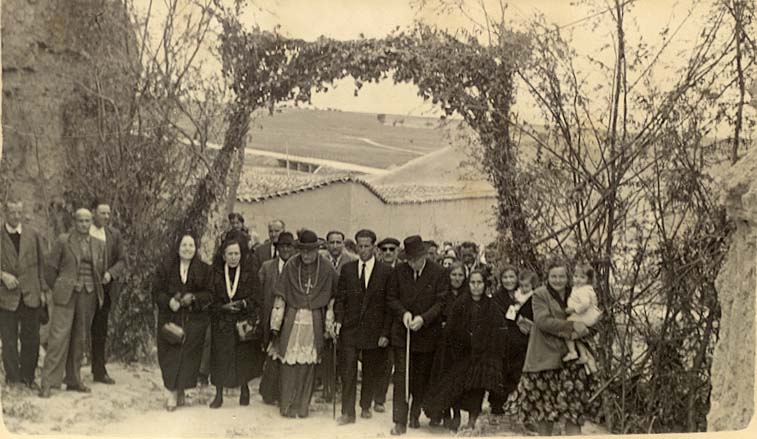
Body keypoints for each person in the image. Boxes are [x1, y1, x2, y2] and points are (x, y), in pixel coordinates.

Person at [506, 258, 600, 436]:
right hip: (545, 359)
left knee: (574, 412)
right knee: (545, 413)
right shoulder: (540, 294)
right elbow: (543, 321)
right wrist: (571, 327)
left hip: (570, 363)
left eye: (562, 276)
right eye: (554, 276)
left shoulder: (576, 293)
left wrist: (588, 326)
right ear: (547, 277)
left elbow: (590, 316)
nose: (558, 280)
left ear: (568, 277)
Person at [270, 229, 338, 418]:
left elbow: (334, 297)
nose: (306, 255)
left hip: (315, 320)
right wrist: (275, 324)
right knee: (288, 362)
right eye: (303, 251)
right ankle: (287, 405)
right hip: (293, 319)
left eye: (310, 251)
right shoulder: (292, 265)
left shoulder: (326, 268)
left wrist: (330, 323)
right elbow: (280, 296)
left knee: (308, 365)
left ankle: (302, 406)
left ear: (317, 250)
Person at [424, 270, 504, 431]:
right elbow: (451, 330)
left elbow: (497, 330)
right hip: (461, 352)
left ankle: (472, 420)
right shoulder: (460, 304)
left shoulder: (491, 306)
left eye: (479, 283)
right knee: (457, 385)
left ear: (484, 285)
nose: (476, 287)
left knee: (477, 387)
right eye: (473, 283)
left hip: (482, 355)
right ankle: (457, 414)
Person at [40, 209, 106, 398]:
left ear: (91, 222)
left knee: (80, 339)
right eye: (80, 221)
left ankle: (73, 379)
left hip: (88, 295)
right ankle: (48, 382)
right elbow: (50, 268)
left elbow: (99, 270)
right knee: (58, 338)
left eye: (87, 221)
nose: (84, 224)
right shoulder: (63, 241)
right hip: (66, 295)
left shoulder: (98, 244)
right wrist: (59, 287)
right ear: (74, 222)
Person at [386, 235, 449, 435]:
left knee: (420, 378)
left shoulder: (438, 273)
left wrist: (423, 319)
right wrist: (403, 313)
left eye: (416, 260)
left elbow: (441, 302)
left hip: (426, 333)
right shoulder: (398, 272)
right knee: (401, 376)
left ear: (423, 256)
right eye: (409, 260)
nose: (413, 264)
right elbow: (391, 297)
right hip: (402, 334)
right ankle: (399, 421)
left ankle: (415, 411)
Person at [333, 229, 392, 425]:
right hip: (350, 329)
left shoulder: (386, 272)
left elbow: (389, 306)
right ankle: (348, 412)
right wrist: (338, 321)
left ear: (374, 247)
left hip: (373, 331)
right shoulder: (348, 269)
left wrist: (385, 333)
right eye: (360, 246)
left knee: (370, 371)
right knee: (348, 370)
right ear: (356, 246)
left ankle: (365, 404)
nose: (363, 250)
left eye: (367, 246)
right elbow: (340, 299)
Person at [152, 233, 212, 411]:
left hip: (194, 320)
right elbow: (156, 291)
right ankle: (171, 392)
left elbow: (210, 294)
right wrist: (169, 301)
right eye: (184, 245)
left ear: (196, 248)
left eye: (191, 245)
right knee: (170, 356)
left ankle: (181, 390)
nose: (187, 249)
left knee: (187, 358)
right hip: (170, 319)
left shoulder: (204, 269)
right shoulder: (166, 267)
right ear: (178, 248)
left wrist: (193, 298)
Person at [208, 237, 264, 408]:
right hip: (222, 320)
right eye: (230, 254)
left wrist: (242, 304)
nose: (233, 257)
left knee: (243, 356)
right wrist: (223, 307)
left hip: (241, 320)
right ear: (224, 256)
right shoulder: (215, 274)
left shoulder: (249, 274)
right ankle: (218, 394)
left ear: (241, 255)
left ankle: (244, 389)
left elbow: (257, 297)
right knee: (220, 356)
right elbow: (209, 298)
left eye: (236, 254)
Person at [1, 198, 48, 389]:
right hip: (7, 295)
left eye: (19, 212)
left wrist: (43, 290)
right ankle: (13, 379)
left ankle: (28, 378)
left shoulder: (33, 234)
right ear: (5, 212)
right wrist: (2, 275)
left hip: (31, 293)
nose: (16, 216)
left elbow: (41, 264)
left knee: (31, 338)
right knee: (9, 338)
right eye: (12, 212)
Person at [425, 261, 469, 429]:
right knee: (441, 378)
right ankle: (442, 412)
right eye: (453, 275)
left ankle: (456, 411)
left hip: (460, 344)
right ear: (448, 276)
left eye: (460, 275)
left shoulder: (467, 294)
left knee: (456, 379)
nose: (456, 278)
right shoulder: (442, 293)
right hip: (442, 343)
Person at [89, 200, 126, 385]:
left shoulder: (114, 235)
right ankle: (70, 371)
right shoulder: (83, 231)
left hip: (104, 289)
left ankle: (98, 371)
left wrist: (110, 274)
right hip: (84, 288)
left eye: (108, 213)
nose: (105, 216)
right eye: (102, 213)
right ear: (93, 212)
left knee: (100, 330)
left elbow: (121, 260)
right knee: (78, 329)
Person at [258, 231, 296, 405]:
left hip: (290, 317)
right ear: (277, 248)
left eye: (289, 246)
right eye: (282, 246)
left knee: (286, 355)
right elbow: (259, 292)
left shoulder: (297, 267)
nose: (286, 249)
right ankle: (268, 392)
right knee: (272, 354)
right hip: (269, 315)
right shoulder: (267, 267)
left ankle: (284, 393)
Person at [319, 230, 357, 402]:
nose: (335, 246)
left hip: (345, 310)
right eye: (332, 242)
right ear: (327, 244)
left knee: (343, 349)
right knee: (326, 350)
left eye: (338, 242)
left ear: (343, 243)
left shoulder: (352, 260)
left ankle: (342, 385)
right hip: (323, 307)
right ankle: (327, 386)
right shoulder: (320, 259)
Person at [374, 236, 401, 411]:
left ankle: (380, 399)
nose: (388, 253)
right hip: (378, 321)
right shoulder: (375, 270)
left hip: (397, 323)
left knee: (390, 362)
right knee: (376, 360)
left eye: (392, 249)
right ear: (379, 251)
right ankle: (372, 396)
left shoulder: (402, 270)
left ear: (397, 251)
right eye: (385, 250)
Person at [563, 264, 601, 373]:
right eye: (576, 276)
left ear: (588, 279)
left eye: (582, 277)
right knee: (577, 337)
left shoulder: (584, 290)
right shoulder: (578, 288)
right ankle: (584, 356)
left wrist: (573, 309)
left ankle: (572, 352)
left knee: (566, 327)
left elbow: (585, 304)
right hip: (584, 316)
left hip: (584, 316)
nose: (578, 280)